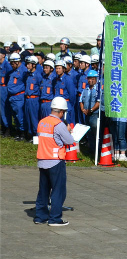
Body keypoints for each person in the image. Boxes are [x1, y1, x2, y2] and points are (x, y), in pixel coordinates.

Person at [34, 97, 74, 226]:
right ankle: (55, 218)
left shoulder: (42, 122)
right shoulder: (59, 125)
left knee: (43, 190)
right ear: (62, 112)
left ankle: (40, 217)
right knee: (58, 190)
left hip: (42, 159)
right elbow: (69, 141)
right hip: (55, 160)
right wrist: (68, 131)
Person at [7, 52, 26, 139]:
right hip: (12, 97)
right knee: (15, 115)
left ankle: (22, 132)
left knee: (20, 116)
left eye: (12, 63)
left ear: (17, 62)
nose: (11, 65)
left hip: (19, 97)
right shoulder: (13, 71)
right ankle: (18, 131)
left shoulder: (23, 71)